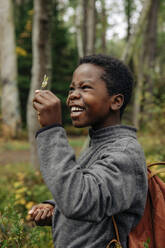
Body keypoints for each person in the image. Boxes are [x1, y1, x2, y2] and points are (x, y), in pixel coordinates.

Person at [29, 54, 148, 248]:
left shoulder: (125, 153)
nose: (73, 95)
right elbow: (93, 192)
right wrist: (55, 207)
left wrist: (52, 131)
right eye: (72, 88)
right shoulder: (100, 143)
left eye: (85, 88)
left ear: (116, 102)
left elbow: (78, 201)